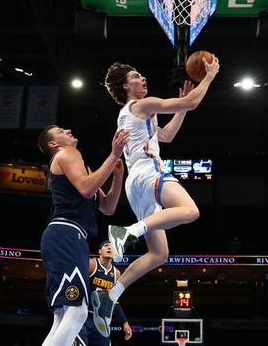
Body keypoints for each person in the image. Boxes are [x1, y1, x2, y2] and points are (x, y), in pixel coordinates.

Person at [99, 56, 219, 315]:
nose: (142, 79)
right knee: (191, 211)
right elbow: (192, 101)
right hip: (149, 171)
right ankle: (128, 232)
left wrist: (181, 109)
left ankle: (111, 294)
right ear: (125, 88)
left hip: (135, 183)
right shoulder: (143, 105)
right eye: (135, 77)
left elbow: (166, 135)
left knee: (159, 253)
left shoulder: (127, 115)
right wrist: (209, 76)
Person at [37, 125, 129, 346]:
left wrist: (117, 176)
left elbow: (107, 207)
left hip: (70, 236)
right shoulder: (67, 153)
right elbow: (87, 189)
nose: (68, 129)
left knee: (62, 317)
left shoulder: (81, 168)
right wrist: (114, 153)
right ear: (53, 144)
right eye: (60, 130)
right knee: (77, 312)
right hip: (66, 233)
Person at [75, 240, 133, 346]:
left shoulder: (116, 274)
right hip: (83, 315)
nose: (109, 248)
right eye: (106, 246)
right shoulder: (91, 264)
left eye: (112, 247)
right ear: (99, 251)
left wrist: (124, 322)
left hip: (102, 320)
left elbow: (114, 300)